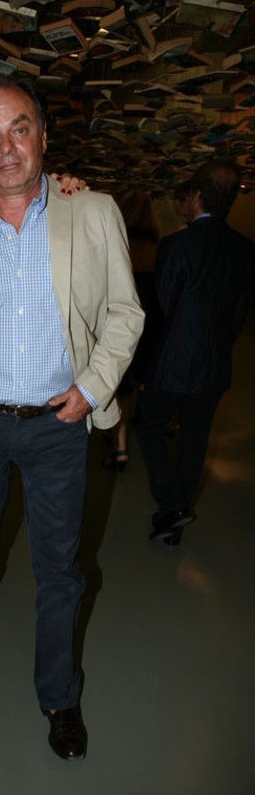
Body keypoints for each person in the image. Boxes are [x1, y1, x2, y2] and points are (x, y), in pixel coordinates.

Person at [0, 74, 144, 761]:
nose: (6, 148)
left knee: (59, 568)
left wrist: (93, 387)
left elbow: (124, 313)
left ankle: (59, 696)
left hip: (57, 423)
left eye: (19, 128)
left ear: (44, 136)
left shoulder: (92, 211)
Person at [136, 159, 255, 547]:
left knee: (149, 425)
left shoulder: (177, 245)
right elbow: (239, 315)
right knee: (194, 440)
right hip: (215, 364)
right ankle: (176, 519)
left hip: (172, 362)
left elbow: (163, 310)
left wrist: (147, 363)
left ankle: (172, 504)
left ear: (198, 195)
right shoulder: (245, 250)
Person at [102, 190, 162, 471]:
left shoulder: (117, 243)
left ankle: (120, 448)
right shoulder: (159, 249)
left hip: (120, 326)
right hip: (150, 328)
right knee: (136, 387)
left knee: (119, 390)